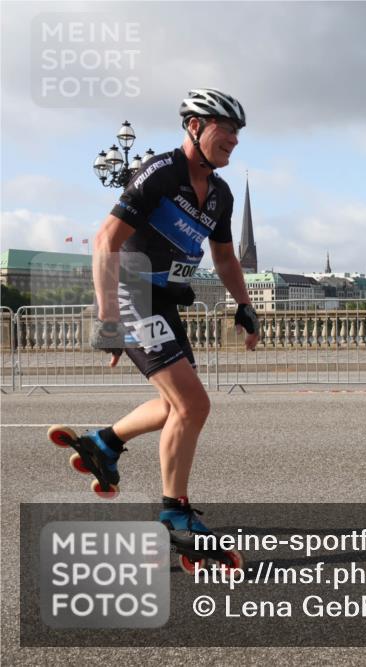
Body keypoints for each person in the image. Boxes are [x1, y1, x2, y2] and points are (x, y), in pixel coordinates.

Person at [75, 88, 259, 558]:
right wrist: (109, 319)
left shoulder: (220, 194)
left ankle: (104, 442)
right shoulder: (158, 173)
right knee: (193, 404)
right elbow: (105, 240)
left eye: (238, 132)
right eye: (226, 128)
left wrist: (244, 304)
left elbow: (223, 257)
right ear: (195, 127)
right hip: (133, 292)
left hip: (164, 298)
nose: (234, 139)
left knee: (179, 403)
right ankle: (175, 513)